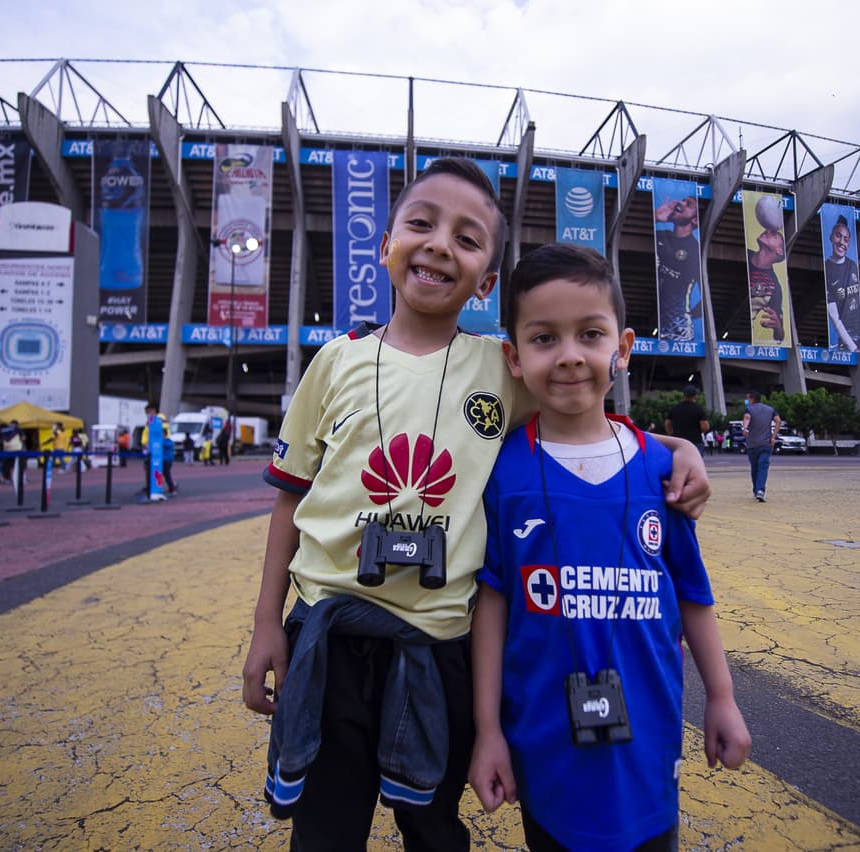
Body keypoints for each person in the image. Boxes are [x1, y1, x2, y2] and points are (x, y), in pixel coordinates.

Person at [242, 159, 711, 850]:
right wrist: (265, 627)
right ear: (386, 243)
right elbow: (291, 500)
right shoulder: (334, 363)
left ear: (487, 281)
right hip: (328, 634)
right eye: (421, 224)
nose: (438, 245)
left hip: (440, 645)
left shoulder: (499, 365)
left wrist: (675, 448)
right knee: (324, 828)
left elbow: (579, 410)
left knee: (433, 828)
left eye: (466, 238)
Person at [468, 242, 751, 851]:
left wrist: (722, 699)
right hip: (543, 744)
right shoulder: (503, 472)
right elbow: (490, 606)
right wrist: (487, 729)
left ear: (621, 349)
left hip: (648, 743)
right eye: (545, 339)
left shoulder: (662, 471)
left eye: (589, 335)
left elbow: (694, 596)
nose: (569, 356)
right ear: (514, 358)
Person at [654, 194, 702, 342]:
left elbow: (706, 298)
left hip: (678, 331)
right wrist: (655, 217)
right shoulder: (660, 236)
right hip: (655, 323)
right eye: (682, 200)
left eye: (688, 204)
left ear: (694, 220)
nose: (681, 203)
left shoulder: (694, 250)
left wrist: (687, 316)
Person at [746, 194, 787, 344]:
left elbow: (780, 336)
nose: (769, 231)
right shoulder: (743, 255)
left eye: (775, 234)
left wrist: (777, 327)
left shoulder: (774, 287)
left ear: (780, 252)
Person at [823, 215, 860, 352]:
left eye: (846, 239)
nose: (841, 242)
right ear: (831, 238)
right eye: (838, 236)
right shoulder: (827, 269)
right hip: (847, 342)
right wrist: (852, 347)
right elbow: (834, 315)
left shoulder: (853, 265)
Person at [743, 389, 781, 502]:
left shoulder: (749, 409)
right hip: (766, 443)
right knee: (763, 468)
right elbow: (778, 421)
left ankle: (756, 491)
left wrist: (745, 428)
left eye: (748, 399)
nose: (747, 401)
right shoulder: (770, 409)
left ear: (752, 399)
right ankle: (760, 491)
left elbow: (747, 418)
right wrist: (773, 436)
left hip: (752, 444)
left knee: (755, 468)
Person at [666, 385, 709, 452]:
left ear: (684, 395)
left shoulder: (675, 408)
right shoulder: (698, 409)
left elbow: (667, 424)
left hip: (678, 441)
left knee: (678, 461)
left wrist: (671, 434)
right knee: (695, 461)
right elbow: (705, 427)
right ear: (695, 396)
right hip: (695, 441)